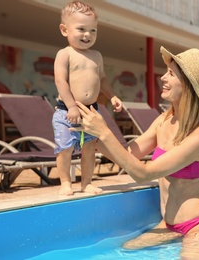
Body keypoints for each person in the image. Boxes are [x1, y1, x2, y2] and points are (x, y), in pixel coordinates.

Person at [73, 46, 199, 258]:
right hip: (168, 224)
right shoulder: (163, 120)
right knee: (126, 250)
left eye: (171, 73)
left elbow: (144, 173)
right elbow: (128, 156)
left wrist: (104, 133)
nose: (162, 78)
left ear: (187, 85)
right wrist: (91, 136)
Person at [53, 1, 123, 196]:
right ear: (64, 30)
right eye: (81, 29)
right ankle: (66, 182)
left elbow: (102, 79)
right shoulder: (65, 54)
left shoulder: (96, 56)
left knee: (89, 149)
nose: (88, 35)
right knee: (65, 149)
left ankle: (86, 183)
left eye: (93, 30)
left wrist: (113, 95)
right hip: (67, 111)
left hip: (91, 111)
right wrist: (71, 107)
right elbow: (60, 82)